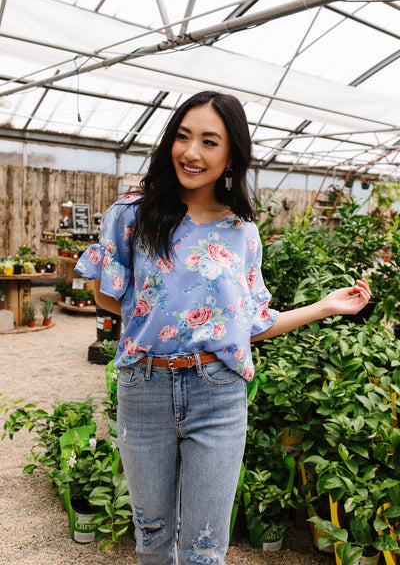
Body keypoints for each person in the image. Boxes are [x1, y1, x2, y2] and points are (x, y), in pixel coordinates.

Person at [75, 90, 370, 565]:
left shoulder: (241, 232)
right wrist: (164, 306)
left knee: (206, 548)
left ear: (231, 155)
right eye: (183, 137)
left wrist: (324, 306)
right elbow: (105, 294)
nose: (191, 153)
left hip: (218, 393)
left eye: (209, 141)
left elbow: (251, 324)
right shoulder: (131, 214)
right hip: (143, 387)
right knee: (151, 538)